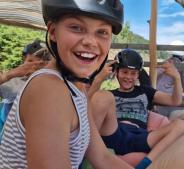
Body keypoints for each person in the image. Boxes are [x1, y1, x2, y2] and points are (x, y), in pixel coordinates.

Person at [0, 0, 134, 168]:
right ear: (53, 32)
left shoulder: (77, 88)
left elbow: (102, 157)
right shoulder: (49, 90)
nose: (91, 42)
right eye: (76, 27)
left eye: (102, 32)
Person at [91, 48, 184, 168]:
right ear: (116, 72)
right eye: (124, 72)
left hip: (140, 137)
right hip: (115, 132)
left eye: (133, 73)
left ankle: (144, 164)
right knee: (102, 96)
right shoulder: (109, 94)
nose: (129, 77)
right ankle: (87, 152)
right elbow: (85, 105)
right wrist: (99, 79)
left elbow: (175, 101)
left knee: (182, 125)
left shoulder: (145, 91)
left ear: (138, 74)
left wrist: (177, 78)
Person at [0, 40, 50, 132]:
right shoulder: (13, 82)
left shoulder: (51, 86)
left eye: (40, 64)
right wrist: (6, 76)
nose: (33, 67)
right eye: (30, 62)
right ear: (24, 61)